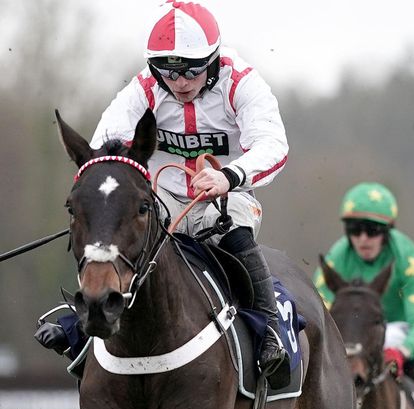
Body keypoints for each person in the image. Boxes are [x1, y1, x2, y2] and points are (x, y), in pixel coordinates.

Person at [34, 1, 291, 388]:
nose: (180, 82)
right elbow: (105, 147)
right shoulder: (143, 88)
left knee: (235, 235)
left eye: (190, 70)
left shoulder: (241, 83)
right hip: (161, 198)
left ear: (213, 60)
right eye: (168, 71)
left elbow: (273, 145)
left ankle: (270, 331)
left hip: (225, 194)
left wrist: (229, 176)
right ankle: (81, 326)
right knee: (115, 231)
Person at [314, 183, 414, 409]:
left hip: (397, 332)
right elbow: (319, 316)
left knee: (389, 338)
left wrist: (403, 350)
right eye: (354, 230)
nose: (363, 238)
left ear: (386, 231)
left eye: (372, 230)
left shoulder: (409, 260)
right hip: (351, 335)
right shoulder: (336, 260)